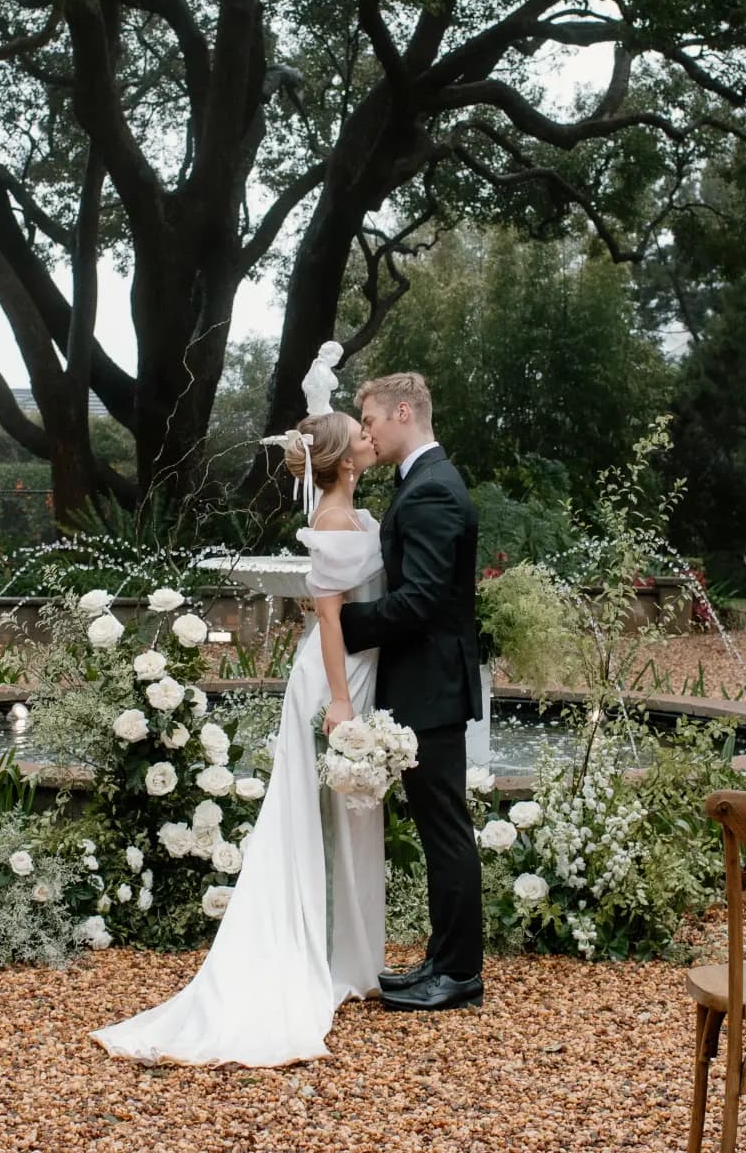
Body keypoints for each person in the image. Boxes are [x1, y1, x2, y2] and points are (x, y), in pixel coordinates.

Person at [93, 407, 384, 1066]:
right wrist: (340, 702)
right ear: (343, 461)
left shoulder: (356, 516)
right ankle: (308, 947)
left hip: (359, 673)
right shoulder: (333, 523)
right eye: (360, 432)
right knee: (310, 819)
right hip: (335, 680)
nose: (370, 436)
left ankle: (352, 953)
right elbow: (332, 620)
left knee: (347, 815)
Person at [336, 371, 484, 1012]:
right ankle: (441, 960)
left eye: (369, 420)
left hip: (430, 686)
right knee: (437, 827)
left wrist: (343, 622)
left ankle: (458, 975)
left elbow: (421, 599)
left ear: (404, 411)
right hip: (428, 684)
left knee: (446, 830)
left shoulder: (431, 493)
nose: (365, 431)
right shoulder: (423, 483)